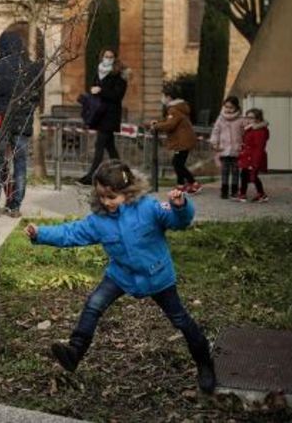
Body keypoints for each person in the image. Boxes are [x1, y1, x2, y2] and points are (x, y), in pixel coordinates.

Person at [25, 160, 216, 395]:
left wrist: (180, 206)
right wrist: (40, 233)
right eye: (101, 196)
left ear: (127, 192)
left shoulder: (148, 207)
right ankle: (75, 352)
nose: (106, 202)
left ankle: (205, 364)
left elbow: (179, 221)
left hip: (157, 275)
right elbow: (72, 233)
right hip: (121, 275)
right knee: (94, 304)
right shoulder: (99, 220)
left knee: (180, 319)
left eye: (111, 197)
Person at [0, 29, 43, 216]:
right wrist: (28, 112)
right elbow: (36, 97)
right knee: (20, 164)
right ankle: (15, 205)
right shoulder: (33, 68)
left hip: (1, 122)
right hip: (23, 122)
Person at [78, 49, 128, 185]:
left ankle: (91, 177)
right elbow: (94, 89)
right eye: (106, 56)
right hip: (99, 114)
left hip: (110, 115)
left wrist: (101, 90)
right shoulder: (98, 72)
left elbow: (118, 95)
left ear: (115, 58)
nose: (108, 59)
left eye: (111, 57)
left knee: (99, 145)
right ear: (102, 57)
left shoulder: (120, 75)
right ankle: (125, 177)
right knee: (111, 148)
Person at [148, 86, 201, 194]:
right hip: (183, 140)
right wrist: (158, 122)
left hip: (182, 141)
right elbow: (168, 120)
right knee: (178, 163)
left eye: (162, 96)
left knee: (178, 163)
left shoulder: (174, 109)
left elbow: (170, 125)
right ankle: (181, 185)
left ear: (169, 97)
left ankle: (194, 183)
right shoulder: (177, 108)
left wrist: (156, 126)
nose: (161, 99)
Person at [209, 96, 247, 200]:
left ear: (236, 107)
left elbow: (246, 133)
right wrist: (214, 143)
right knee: (224, 171)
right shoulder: (221, 118)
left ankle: (234, 191)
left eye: (231, 107)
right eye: (226, 107)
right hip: (223, 149)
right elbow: (216, 131)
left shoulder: (241, 119)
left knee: (235, 171)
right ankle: (224, 191)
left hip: (237, 149)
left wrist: (244, 145)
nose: (228, 109)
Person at [237, 108, 270, 203]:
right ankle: (244, 194)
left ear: (257, 119)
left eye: (251, 117)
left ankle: (261, 194)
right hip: (247, 156)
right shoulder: (250, 129)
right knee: (244, 175)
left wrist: (255, 162)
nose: (248, 119)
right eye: (247, 117)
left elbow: (258, 148)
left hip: (252, 158)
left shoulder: (259, 131)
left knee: (253, 176)